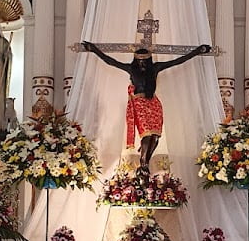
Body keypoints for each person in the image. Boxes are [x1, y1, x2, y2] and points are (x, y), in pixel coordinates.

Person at [82, 39, 211, 170]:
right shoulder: (131, 69)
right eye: (139, 62)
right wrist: (94, 49)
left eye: (144, 61)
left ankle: (146, 163)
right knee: (147, 133)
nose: (142, 64)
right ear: (136, 61)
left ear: (149, 61)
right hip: (139, 104)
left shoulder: (155, 68)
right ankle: (143, 160)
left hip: (153, 103)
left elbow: (177, 61)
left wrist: (196, 52)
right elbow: (110, 61)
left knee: (156, 136)